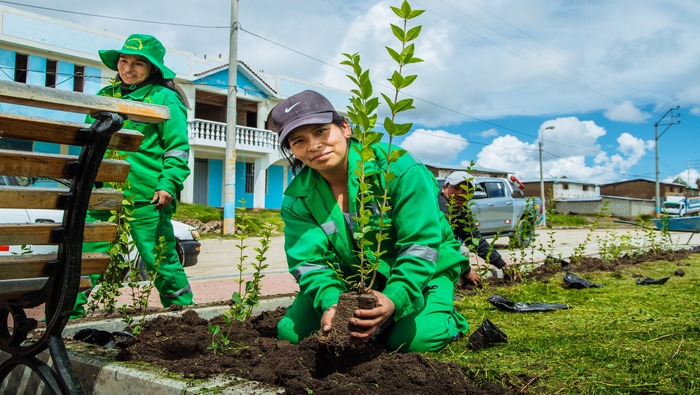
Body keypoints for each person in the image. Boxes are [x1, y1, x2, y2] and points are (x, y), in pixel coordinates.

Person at [271, 90, 481, 353]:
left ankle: (446, 317)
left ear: (345, 128)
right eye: (299, 140)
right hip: (356, 278)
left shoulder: (398, 168)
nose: (313, 145)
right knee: (292, 333)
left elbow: (421, 244)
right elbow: (308, 263)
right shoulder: (298, 198)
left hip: (427, 269)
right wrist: (331, 303)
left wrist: (393, 298)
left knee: (413, 341)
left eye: (321, 131)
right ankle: (382, 322)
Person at [72, 34, 193, 317]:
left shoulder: (165, 98)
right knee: (87, 256)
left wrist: (168, 184)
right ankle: (67, 316)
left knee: (158, 258)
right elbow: (88, 143)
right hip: (102, 192)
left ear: (153, 69)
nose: (129, 68)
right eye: (124, 61)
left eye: (139, 63)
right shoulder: (105, 96)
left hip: (147, 195)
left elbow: (177, 148)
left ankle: (184, 315)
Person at [438, 171, 512, 283]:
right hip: (426, 258)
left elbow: (475, 240)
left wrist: (502, 264)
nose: (460, 194)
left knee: (462, 249)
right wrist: (466, 270)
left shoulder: (460, 210)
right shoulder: (439, 208)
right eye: (456, 188)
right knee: (461, 250)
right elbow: (443, 245)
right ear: (444, 188)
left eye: (466, 191)